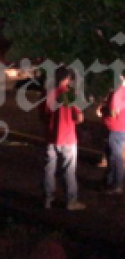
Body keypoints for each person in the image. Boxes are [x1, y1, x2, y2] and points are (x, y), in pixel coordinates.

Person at [43, 66, 85, 210]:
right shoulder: (70, 94)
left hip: (51, 137)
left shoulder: (48, 93)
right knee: (68, 170)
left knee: (49, 169)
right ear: (67, 78)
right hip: (67, 137)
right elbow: (79, 117)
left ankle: (48, 199)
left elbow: (43, 115)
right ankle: (71, 201)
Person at [103, 71, 125, 195]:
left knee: (116, 158)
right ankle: (110, 181)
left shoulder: (117, 93)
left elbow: (113, 112)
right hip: (122, 128)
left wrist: (105, 110)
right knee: (113, 156)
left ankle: (117, 184)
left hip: (116, 128)